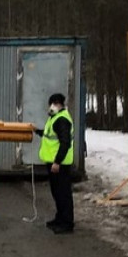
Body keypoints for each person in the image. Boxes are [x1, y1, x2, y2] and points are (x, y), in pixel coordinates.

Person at [37, 92, 75, 234]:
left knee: (63, 193)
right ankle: (59, 218)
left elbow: (64, 143)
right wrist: (37, 131)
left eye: (56, 104)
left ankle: (67, 223)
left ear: (61, 105)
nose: (53, 106)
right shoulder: (54, 118)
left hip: (60, 164)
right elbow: (50, 135)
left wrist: (57, 162)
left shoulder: (62, 120)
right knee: (57, 192)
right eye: (52, 103)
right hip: (53, 162)